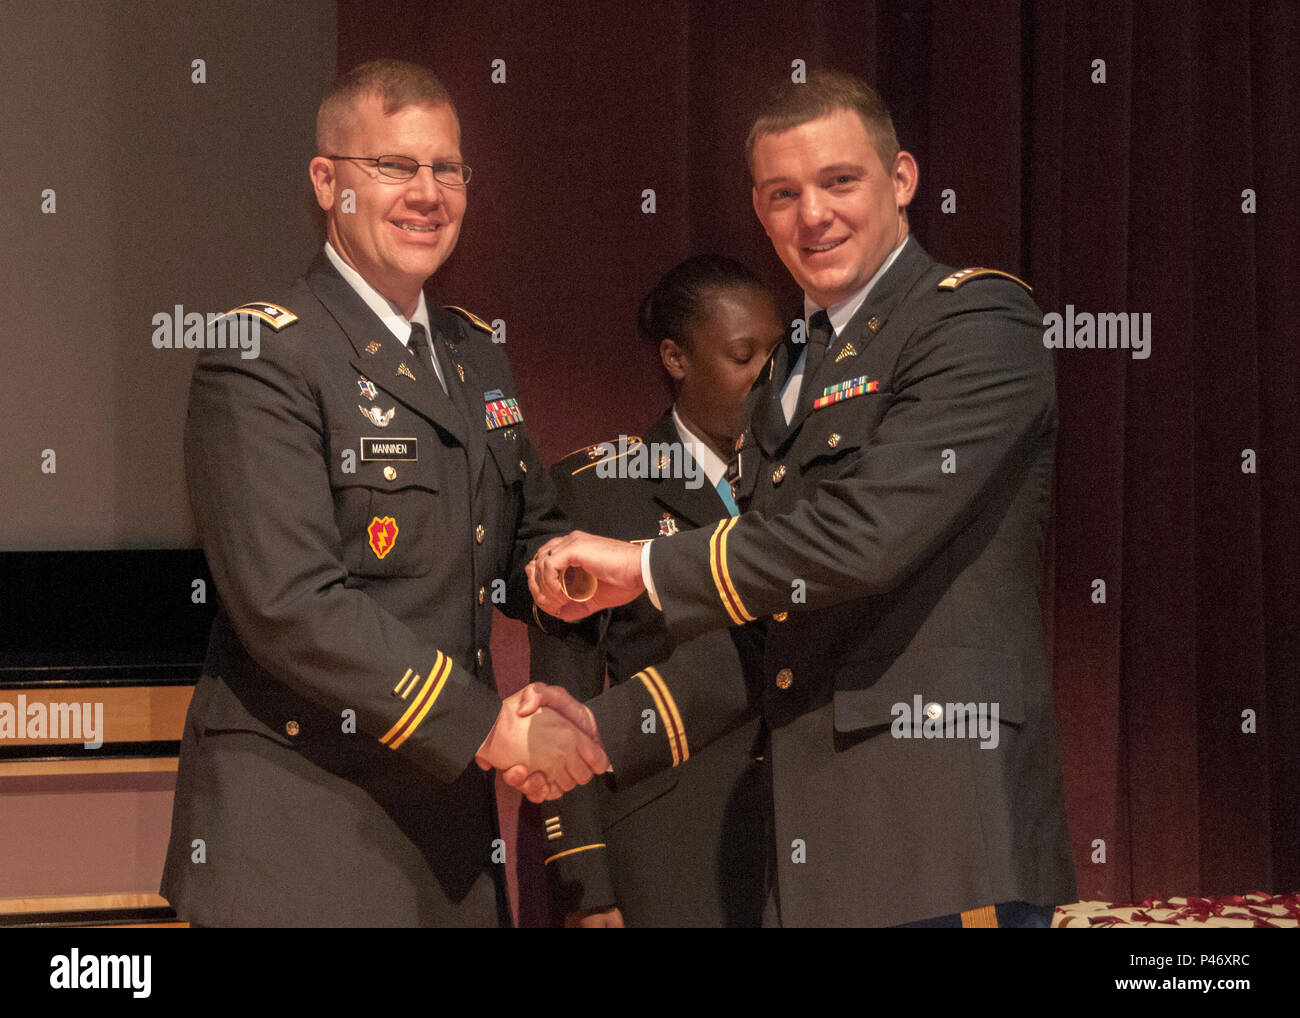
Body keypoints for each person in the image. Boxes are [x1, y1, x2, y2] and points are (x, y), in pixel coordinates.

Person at [524, 70, 1077, 927]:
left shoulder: (975, 325)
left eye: (839, 181)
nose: (811, 215)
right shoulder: (789, 372)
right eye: (783, 193)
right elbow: (772, 628)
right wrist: (598, 734)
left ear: (902, 181)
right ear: (758, 207)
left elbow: (867, 537)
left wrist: (644, 564)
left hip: (942, 836)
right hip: (811, 853)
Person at [161, 59, 605, 928]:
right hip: (304, 828)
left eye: (447, 169)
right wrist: (488, 727)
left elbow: (524, 542)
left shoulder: (474, 353)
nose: (426, 193)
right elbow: (291, 604)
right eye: (394, 166)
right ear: (328, 182)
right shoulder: (261, 356)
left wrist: (604, 576)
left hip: (446, 835)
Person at [531, 256, 784, 927]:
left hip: (810, 833)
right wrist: (586, 881)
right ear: (675, 357)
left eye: (777, 352)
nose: (766, 372)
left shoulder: (809, 484)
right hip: (671, 838)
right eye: (741, 354)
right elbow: (567, 693)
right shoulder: (600, 487)